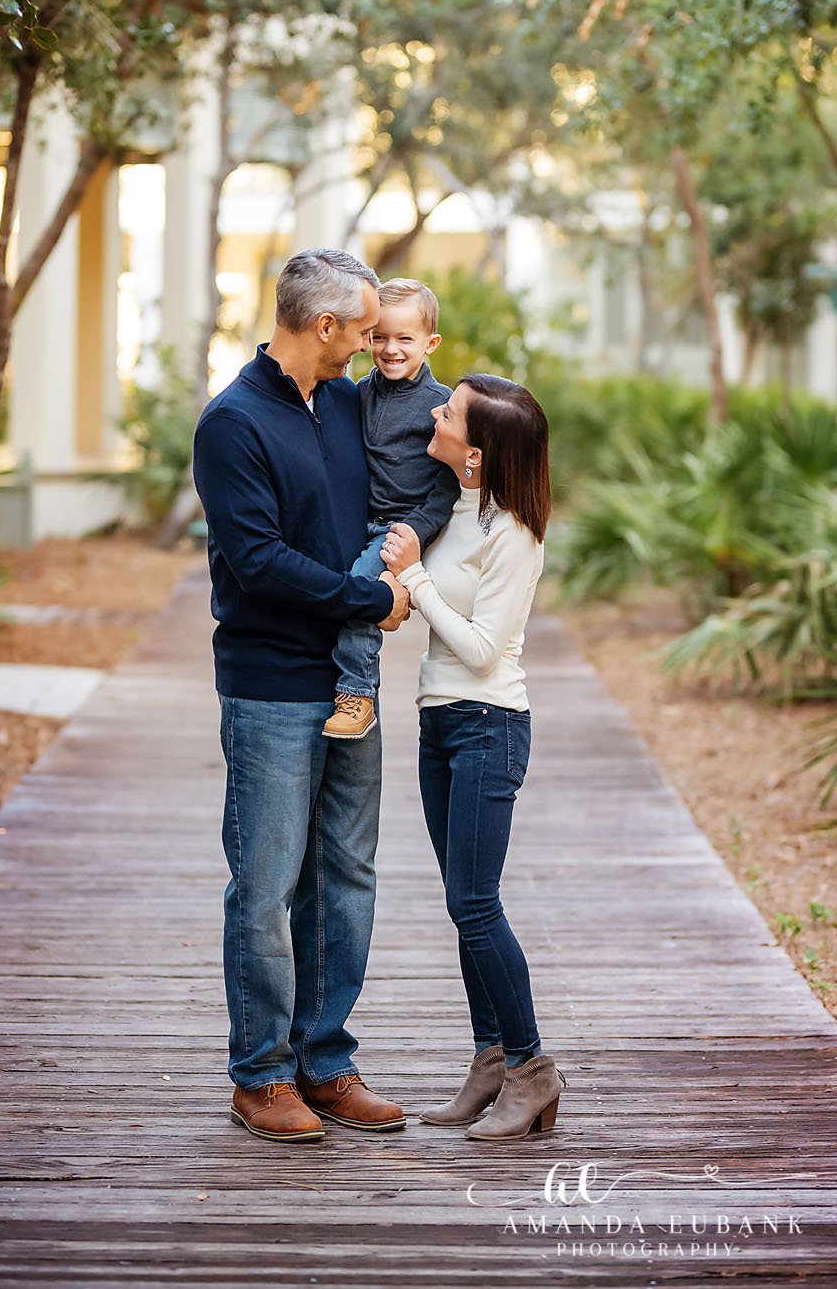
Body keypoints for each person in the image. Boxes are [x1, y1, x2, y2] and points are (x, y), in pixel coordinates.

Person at [192, 247, 410, 1144]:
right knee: (269, 885)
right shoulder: (232, 423)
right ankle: (261, 1076)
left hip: (351, 688)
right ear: (324, 327)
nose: (368, 346)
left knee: (346, 878)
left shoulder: (355, 406)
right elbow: (259, 563)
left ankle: (324, 1063)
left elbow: (426, 444)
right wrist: (373, 598)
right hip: (272, 687)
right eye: (362, 332)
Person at [381, 373, 564, 1141]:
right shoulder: (456, 508)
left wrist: (416, 581)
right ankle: (490, 1059)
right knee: (465, 904)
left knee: (475, 904)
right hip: (441, 722)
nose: (435, 412)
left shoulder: (514, 533)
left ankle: (532, 1069)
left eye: (450, 412)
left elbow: (486, 651)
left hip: (490, 723)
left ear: (479, 454)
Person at [323, 277, 460, 742]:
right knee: (333, 588)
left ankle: (357, 692)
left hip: (401, 526)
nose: (390, 349)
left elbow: (447, 489)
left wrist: (413, 535)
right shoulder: (360, 392)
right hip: (359, 521)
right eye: (379, 336)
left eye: (405, 338)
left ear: (430, 342)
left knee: (362, 593)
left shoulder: (440, 407)